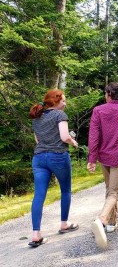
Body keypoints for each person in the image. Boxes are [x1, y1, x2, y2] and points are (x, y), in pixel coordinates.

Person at [87, 82, 118, 249]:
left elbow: (94, 136)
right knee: (114, 192)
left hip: (103, 156)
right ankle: (102, 220)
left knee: (110, 189)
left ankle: (111, 223)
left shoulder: (98, 110)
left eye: (104, 93)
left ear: (109, 94)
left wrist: (92, 158)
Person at [28, 89, 79, 248]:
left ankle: (36, 235)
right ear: (55, 102)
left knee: (39, 195)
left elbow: (38, 140)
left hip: (39, 158)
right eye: (63, 101)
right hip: (58, 157)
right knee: (65, 190)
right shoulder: (60, 115)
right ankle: (64, 224)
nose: (65, 103)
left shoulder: (36, 119)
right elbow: (64, 137)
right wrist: (73, 142)